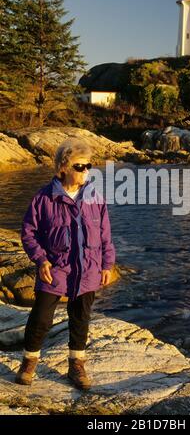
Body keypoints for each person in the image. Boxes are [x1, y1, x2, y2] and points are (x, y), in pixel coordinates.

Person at [15, 138, 115, 390]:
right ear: (63, 168)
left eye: (88, 165)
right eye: (79, 166)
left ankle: (76, 365)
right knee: (41, 318)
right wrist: (41, 259)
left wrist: (107, 264)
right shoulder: (44, 199)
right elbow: (29, 232)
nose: (86, 171)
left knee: (81, 318)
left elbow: (105, 235)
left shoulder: (95, 198)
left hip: (88, 269)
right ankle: (29, 362)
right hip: (55, 270)